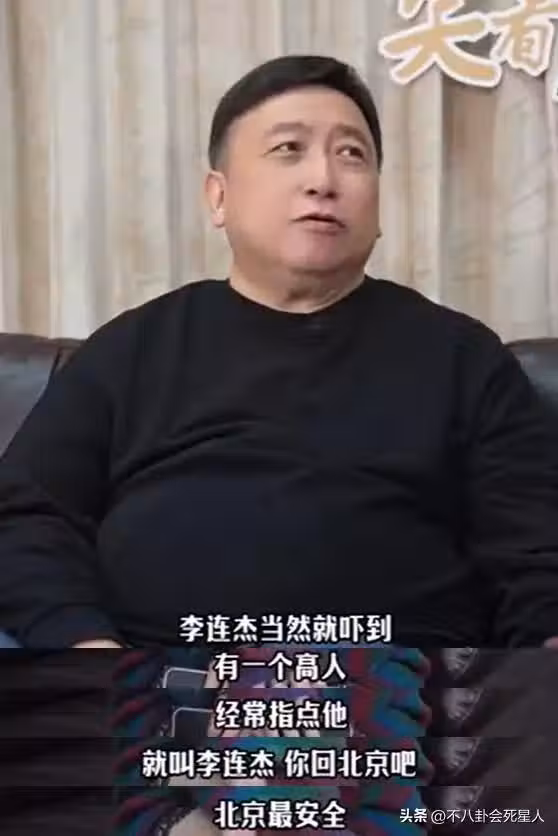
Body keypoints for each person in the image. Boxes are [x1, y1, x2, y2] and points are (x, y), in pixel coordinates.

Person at [0, 53, 558, 833]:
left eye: (352, 154)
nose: (323, 178)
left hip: (385, 688)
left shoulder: (462, 357)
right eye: (288, 149)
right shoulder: (134, 349)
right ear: (218, 196)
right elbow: (26, 517)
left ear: (378, 203)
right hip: (150, 678)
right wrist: (92, 661)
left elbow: (532, 549)